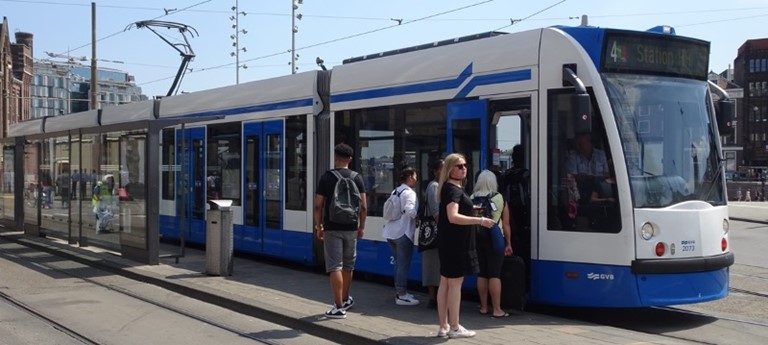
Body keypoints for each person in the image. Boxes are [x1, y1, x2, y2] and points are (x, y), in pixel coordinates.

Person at [435, 153, 494, 339]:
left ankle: (443, 326)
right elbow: (453, 217)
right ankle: (454, 327)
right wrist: (481, 220)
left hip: (448, 242)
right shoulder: (453, 190)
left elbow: (454, 212)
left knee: (445, 283)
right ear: (450, 169)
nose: (464, 168)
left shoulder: (448, 188)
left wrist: (471, 209)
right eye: (459, 166)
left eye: (465, 165)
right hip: (456, 244)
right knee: (454, 284)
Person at [313, 143, 367, 319]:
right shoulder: (358, 178)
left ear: (335, 158)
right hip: (351, 227)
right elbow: (364, 207)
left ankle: (338, 307)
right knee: (348, 265)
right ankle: (345, 300)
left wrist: (318, 226)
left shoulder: (327, 177)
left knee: (335, 265)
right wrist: (361, 227)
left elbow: (318, 205)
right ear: (350, 159)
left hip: (332, 227)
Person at [471, 170, 514, 319]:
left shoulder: (471, 198)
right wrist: (508, 243)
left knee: (482, 273)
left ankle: (483, 307)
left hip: (477, 238)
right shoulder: (499, 198)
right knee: (495, 274)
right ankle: (497, 309)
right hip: (495, 238)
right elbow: (506, 224)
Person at [382, 166, 420, 306]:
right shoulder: (409, 193)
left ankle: (400, 291)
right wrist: (418, 218)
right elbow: (409, 210)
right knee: (403, 265)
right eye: (415, 175)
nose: (416, 178)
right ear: (410, 177)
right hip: (403, 233)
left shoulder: (396, 190)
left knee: (398, 264)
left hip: (390, 232)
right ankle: (402, 295)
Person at [421, 159, 443, 309]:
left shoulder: (436, 186)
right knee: (433, 265)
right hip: (435, 232)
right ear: (435, 171)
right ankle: (433, 298)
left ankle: (434, 297)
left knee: (433, 265)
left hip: (432, 232)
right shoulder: (435, 187)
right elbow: (436, 213)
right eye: (442, 169)